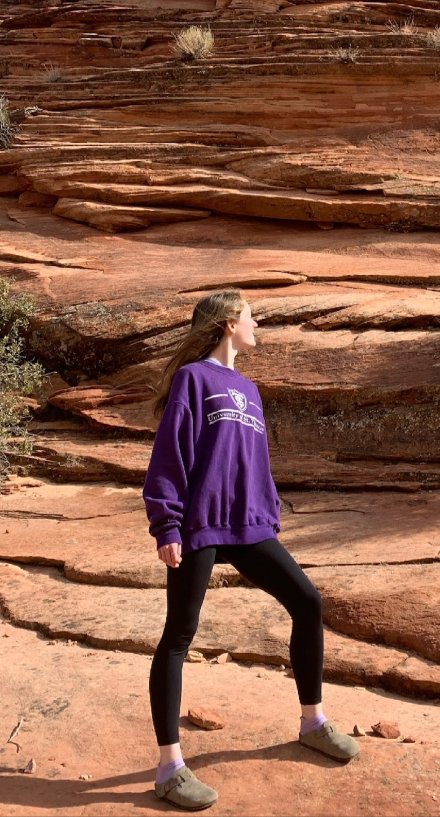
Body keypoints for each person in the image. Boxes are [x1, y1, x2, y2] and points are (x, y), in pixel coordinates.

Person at [143, 288, 358, 810]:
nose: (256, 323)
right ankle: (170, 767)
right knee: (179, 635)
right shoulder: (192, 380)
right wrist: (167, 524)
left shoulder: (250, 389)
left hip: (250, 525)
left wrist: (269, 510)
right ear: (226, 325)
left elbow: (254, 461)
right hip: (200, 524)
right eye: (250, 316)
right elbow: (171, 454)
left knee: (308, 602)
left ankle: (313, 722)